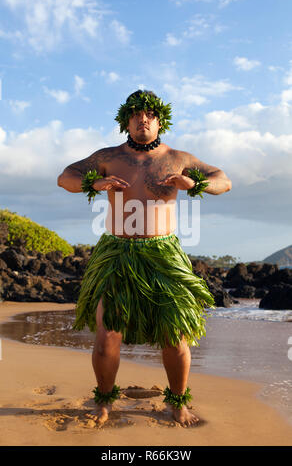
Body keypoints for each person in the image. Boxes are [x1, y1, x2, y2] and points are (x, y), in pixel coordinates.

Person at [57, 90, 232, 427]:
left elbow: (223, 181)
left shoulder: (178, 158)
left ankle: (178, 403)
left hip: (163, 253)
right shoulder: (108, 156)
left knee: (174, 334)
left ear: (160, 120)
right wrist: (96, 181)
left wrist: (191, 182)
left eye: (150, 115)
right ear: (126, 121)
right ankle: (104, 400)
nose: (143, 120)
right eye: (136, 115)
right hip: (118, 252)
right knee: (108, 333)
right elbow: (65, 178)